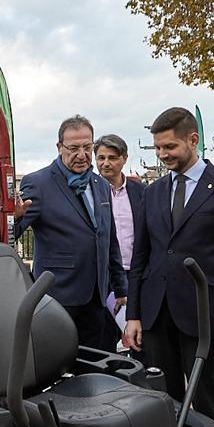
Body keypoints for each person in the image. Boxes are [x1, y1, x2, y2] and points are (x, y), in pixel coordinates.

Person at [123, 107, 214, 427]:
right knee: (160, 401)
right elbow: (142, 257)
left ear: (192, 140)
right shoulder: (152, 193)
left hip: (204, 316)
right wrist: (134, 315)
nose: (162, 154)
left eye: (169, 147)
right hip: (156, 315)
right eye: (158, 148)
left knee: (207, 402)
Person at [15, 115, 126, 351]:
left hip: (97, 299)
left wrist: (120, 289)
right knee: (56, 371)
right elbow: (6, 235)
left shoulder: (101, 185)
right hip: (57, 298)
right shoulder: (38, 183)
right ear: (59, 148)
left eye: (87, 147)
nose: (82, 155)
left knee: (96, 368)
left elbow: (109, 240)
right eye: (74, 148)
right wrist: (13, 217)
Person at [95, 133, 145, 332]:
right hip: (103, 277)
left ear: (124, 158)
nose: (106, 163)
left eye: (112, 158)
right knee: (106, 335)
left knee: (138, 334)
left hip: (135, 274)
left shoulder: (141, 192)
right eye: (101, 158)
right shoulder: (88, 191)